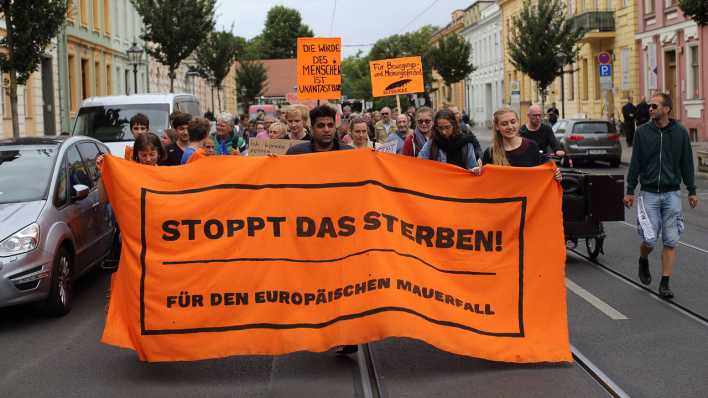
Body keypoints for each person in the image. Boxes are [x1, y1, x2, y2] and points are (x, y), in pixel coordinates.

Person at [623, 93, 698, 299]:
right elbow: (636, 162)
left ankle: (665, 282)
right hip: (648, 194)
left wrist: (691, 190)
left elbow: (687, 164)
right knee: (649, 238)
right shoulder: (642, 133)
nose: (650, 109)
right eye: (649, 106)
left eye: (654, 106)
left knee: (671, 240)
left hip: (672, 193)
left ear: (667, 109)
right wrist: (630, 190)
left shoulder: (681, 133)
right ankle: (643, 259)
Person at [286, 105, 353, 154]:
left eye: (330, 125)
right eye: (321, 126)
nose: (326, 130)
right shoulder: (295, 153)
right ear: (312, 129)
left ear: (335, 128)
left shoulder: (349, 152)